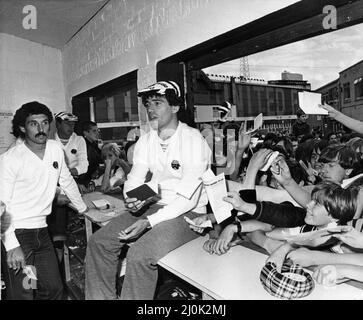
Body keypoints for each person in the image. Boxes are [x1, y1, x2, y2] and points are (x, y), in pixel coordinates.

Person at [84, 80, 211, 300]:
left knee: (139, 255)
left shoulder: (193, 140)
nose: (150, 109)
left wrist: (149, 222)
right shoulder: (146, 140)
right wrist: (133, 198)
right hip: (155, 206)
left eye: (158, 103)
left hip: (188, 214)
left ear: (175, 107)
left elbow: (188, 200)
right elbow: (134, 179)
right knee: (99, 242)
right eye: (148, 104)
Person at [0, 101, 89, 300]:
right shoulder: (10, 159)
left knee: (53, 288)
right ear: (23, 127)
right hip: (19, 235)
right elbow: (1, 205)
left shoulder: (55, 148)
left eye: (45, 123)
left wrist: (83, 208)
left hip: (42, 234)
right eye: (33, 124)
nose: (41, 129)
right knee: (25, 292)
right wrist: (12, 245)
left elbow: (66, 179)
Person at [47, 111, 89, 258]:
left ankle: (63, 246)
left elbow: (84, 165)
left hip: (73, 180)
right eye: (67, 123)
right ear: (57, 124)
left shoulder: (79, 140)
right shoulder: (48, 141)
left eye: (73, 124)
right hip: (52, 184)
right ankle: (57, 246)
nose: (71, 126)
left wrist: (68, 172)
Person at [77, 121, 103, 192]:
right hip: (83, 183)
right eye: (94, 131)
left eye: (98, 131)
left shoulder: (93, 144)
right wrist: (80, 183)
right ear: (86, 133)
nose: (97, 133)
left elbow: (100, 158)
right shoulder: (84, 146)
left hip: (90, 180)